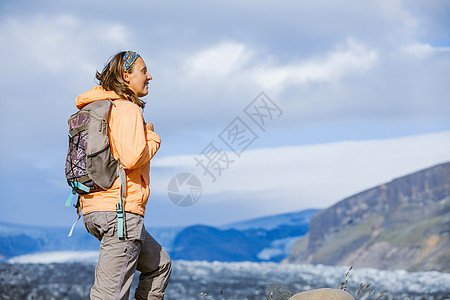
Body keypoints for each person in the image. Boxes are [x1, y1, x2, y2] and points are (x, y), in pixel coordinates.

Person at [75, 51, 172, 300]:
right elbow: (131, 158)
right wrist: (151, 137)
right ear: (126, 75)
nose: (149, 76)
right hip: (120, 213)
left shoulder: (96, 107)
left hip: (93, 208)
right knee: (109, 295)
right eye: (143, 71)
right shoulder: (127, 109)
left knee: (159, 265)